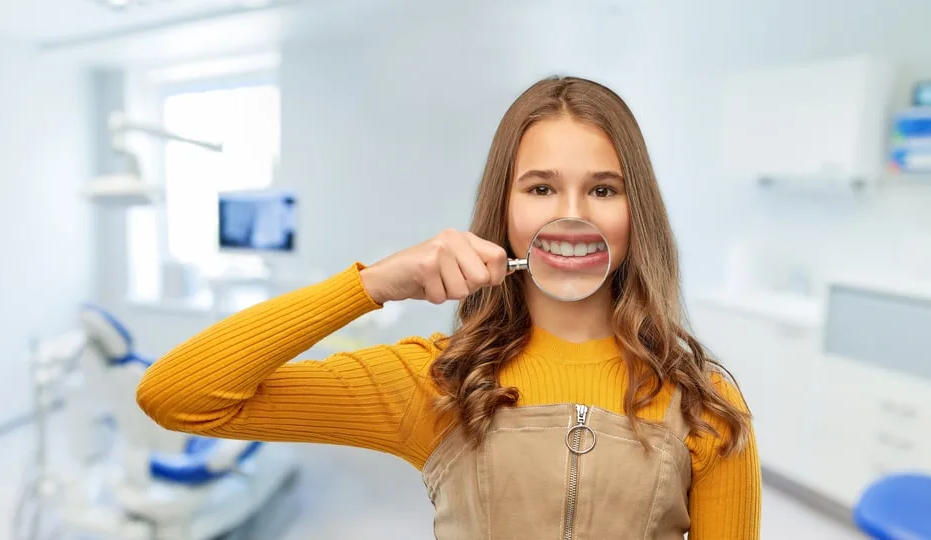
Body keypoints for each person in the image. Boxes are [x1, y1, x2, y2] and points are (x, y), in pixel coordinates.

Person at [136, 75, 762, 539]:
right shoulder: (436, 383)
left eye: (602, 189)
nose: (571, 214)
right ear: (505, 214)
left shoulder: (705, 406)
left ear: (636, 216)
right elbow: (178, 395)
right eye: (541, 187)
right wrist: (373, 283)